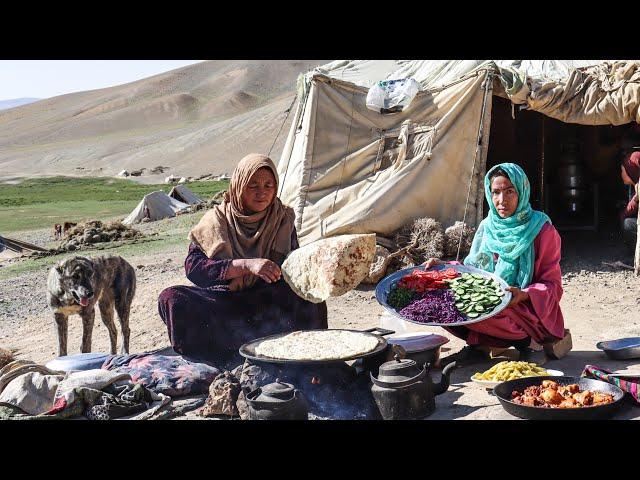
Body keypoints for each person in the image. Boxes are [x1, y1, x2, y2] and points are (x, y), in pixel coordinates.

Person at [157, 153, 328, 363]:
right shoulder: (216, 220)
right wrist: (244, 266)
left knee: (311, 296)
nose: (262, 193)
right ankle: (213, 360)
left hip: (266, 302)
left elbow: (294, 268)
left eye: (268, 185)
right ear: (238, 186)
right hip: (223, 301)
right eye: (253, 185)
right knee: (172, 298)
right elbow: (194, 268)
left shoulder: (282, 218)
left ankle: (311, 357)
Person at [424, 163, 565, 365]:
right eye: (496, 192)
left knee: (488, 306)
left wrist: (524, 294)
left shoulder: (542, 231)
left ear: (522, 191)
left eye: (509, 192)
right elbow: (473, 272)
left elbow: (553, 286)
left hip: (527, 310)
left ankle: (529, 342)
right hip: (493, 305)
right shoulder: (487, 226)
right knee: (439, 300)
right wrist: (444, 267)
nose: (502, 201)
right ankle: (480, 344)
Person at [619, 150, 640, 248]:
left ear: (632, 171)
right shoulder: (637, 187)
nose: (621, 174)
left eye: (623, 171)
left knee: (628, 224)